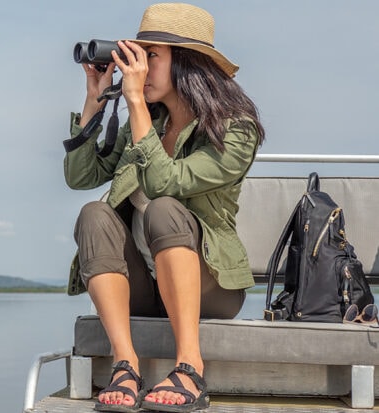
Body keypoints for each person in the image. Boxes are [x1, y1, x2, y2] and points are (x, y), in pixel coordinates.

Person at [62, 3, 265, 413]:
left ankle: (189, 365)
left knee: (164, 209)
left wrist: (134, 103)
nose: (137, 67)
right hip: (143, 284)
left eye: (149, 56)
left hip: (211, 287)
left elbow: (164, 182)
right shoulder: (149, 121)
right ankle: (126, 364)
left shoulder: (235, 129)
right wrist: (94, 103)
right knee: (93, 214)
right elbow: (80, 177)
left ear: (187, 64)